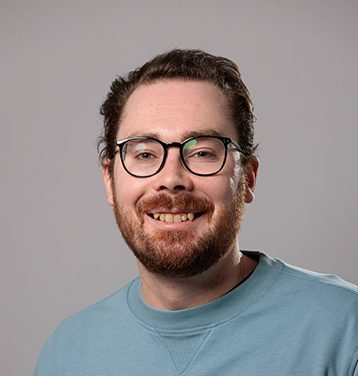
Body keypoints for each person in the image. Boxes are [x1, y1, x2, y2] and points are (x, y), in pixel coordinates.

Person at [34, 49, 358, 376]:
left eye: (202, 152)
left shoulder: (346, 329)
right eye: (145, 153)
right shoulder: (67, 354)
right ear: (109, 179)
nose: (171, 179)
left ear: (248, 177)